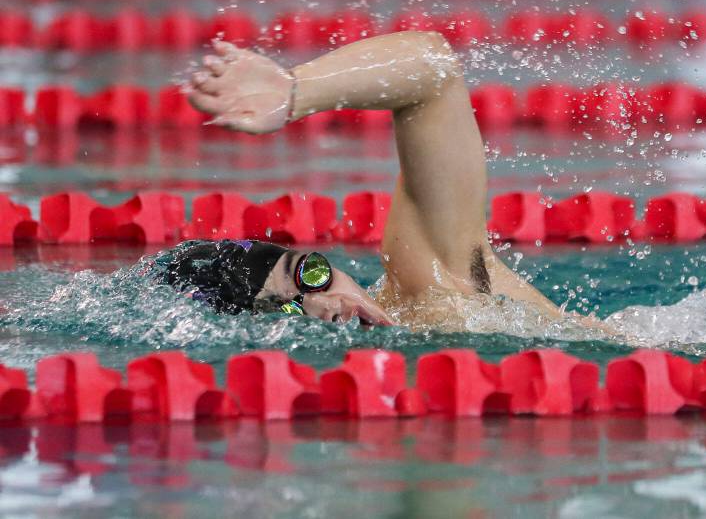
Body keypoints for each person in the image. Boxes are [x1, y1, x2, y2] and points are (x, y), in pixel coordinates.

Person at [176, 31, 566, 329]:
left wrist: (295, 91)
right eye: (289, 308)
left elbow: (434, 68)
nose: (328, 305)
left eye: (312, 275)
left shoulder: (436, 289)